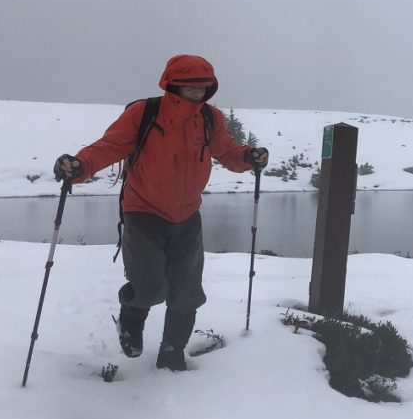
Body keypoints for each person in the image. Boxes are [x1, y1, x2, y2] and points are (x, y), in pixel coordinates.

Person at [53, 54, 268, 371]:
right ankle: (130, 322)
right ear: (172, 84)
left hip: (187, 216)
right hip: (143, 212)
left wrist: (249, 157)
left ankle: (171, 352)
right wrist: (79, 166)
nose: (197, 93)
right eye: (190, 87)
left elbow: (227, 152)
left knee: (187, 293)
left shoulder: (210, 119)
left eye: (203, 88)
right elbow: (109, 146)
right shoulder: (145, 113)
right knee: (150, 287)